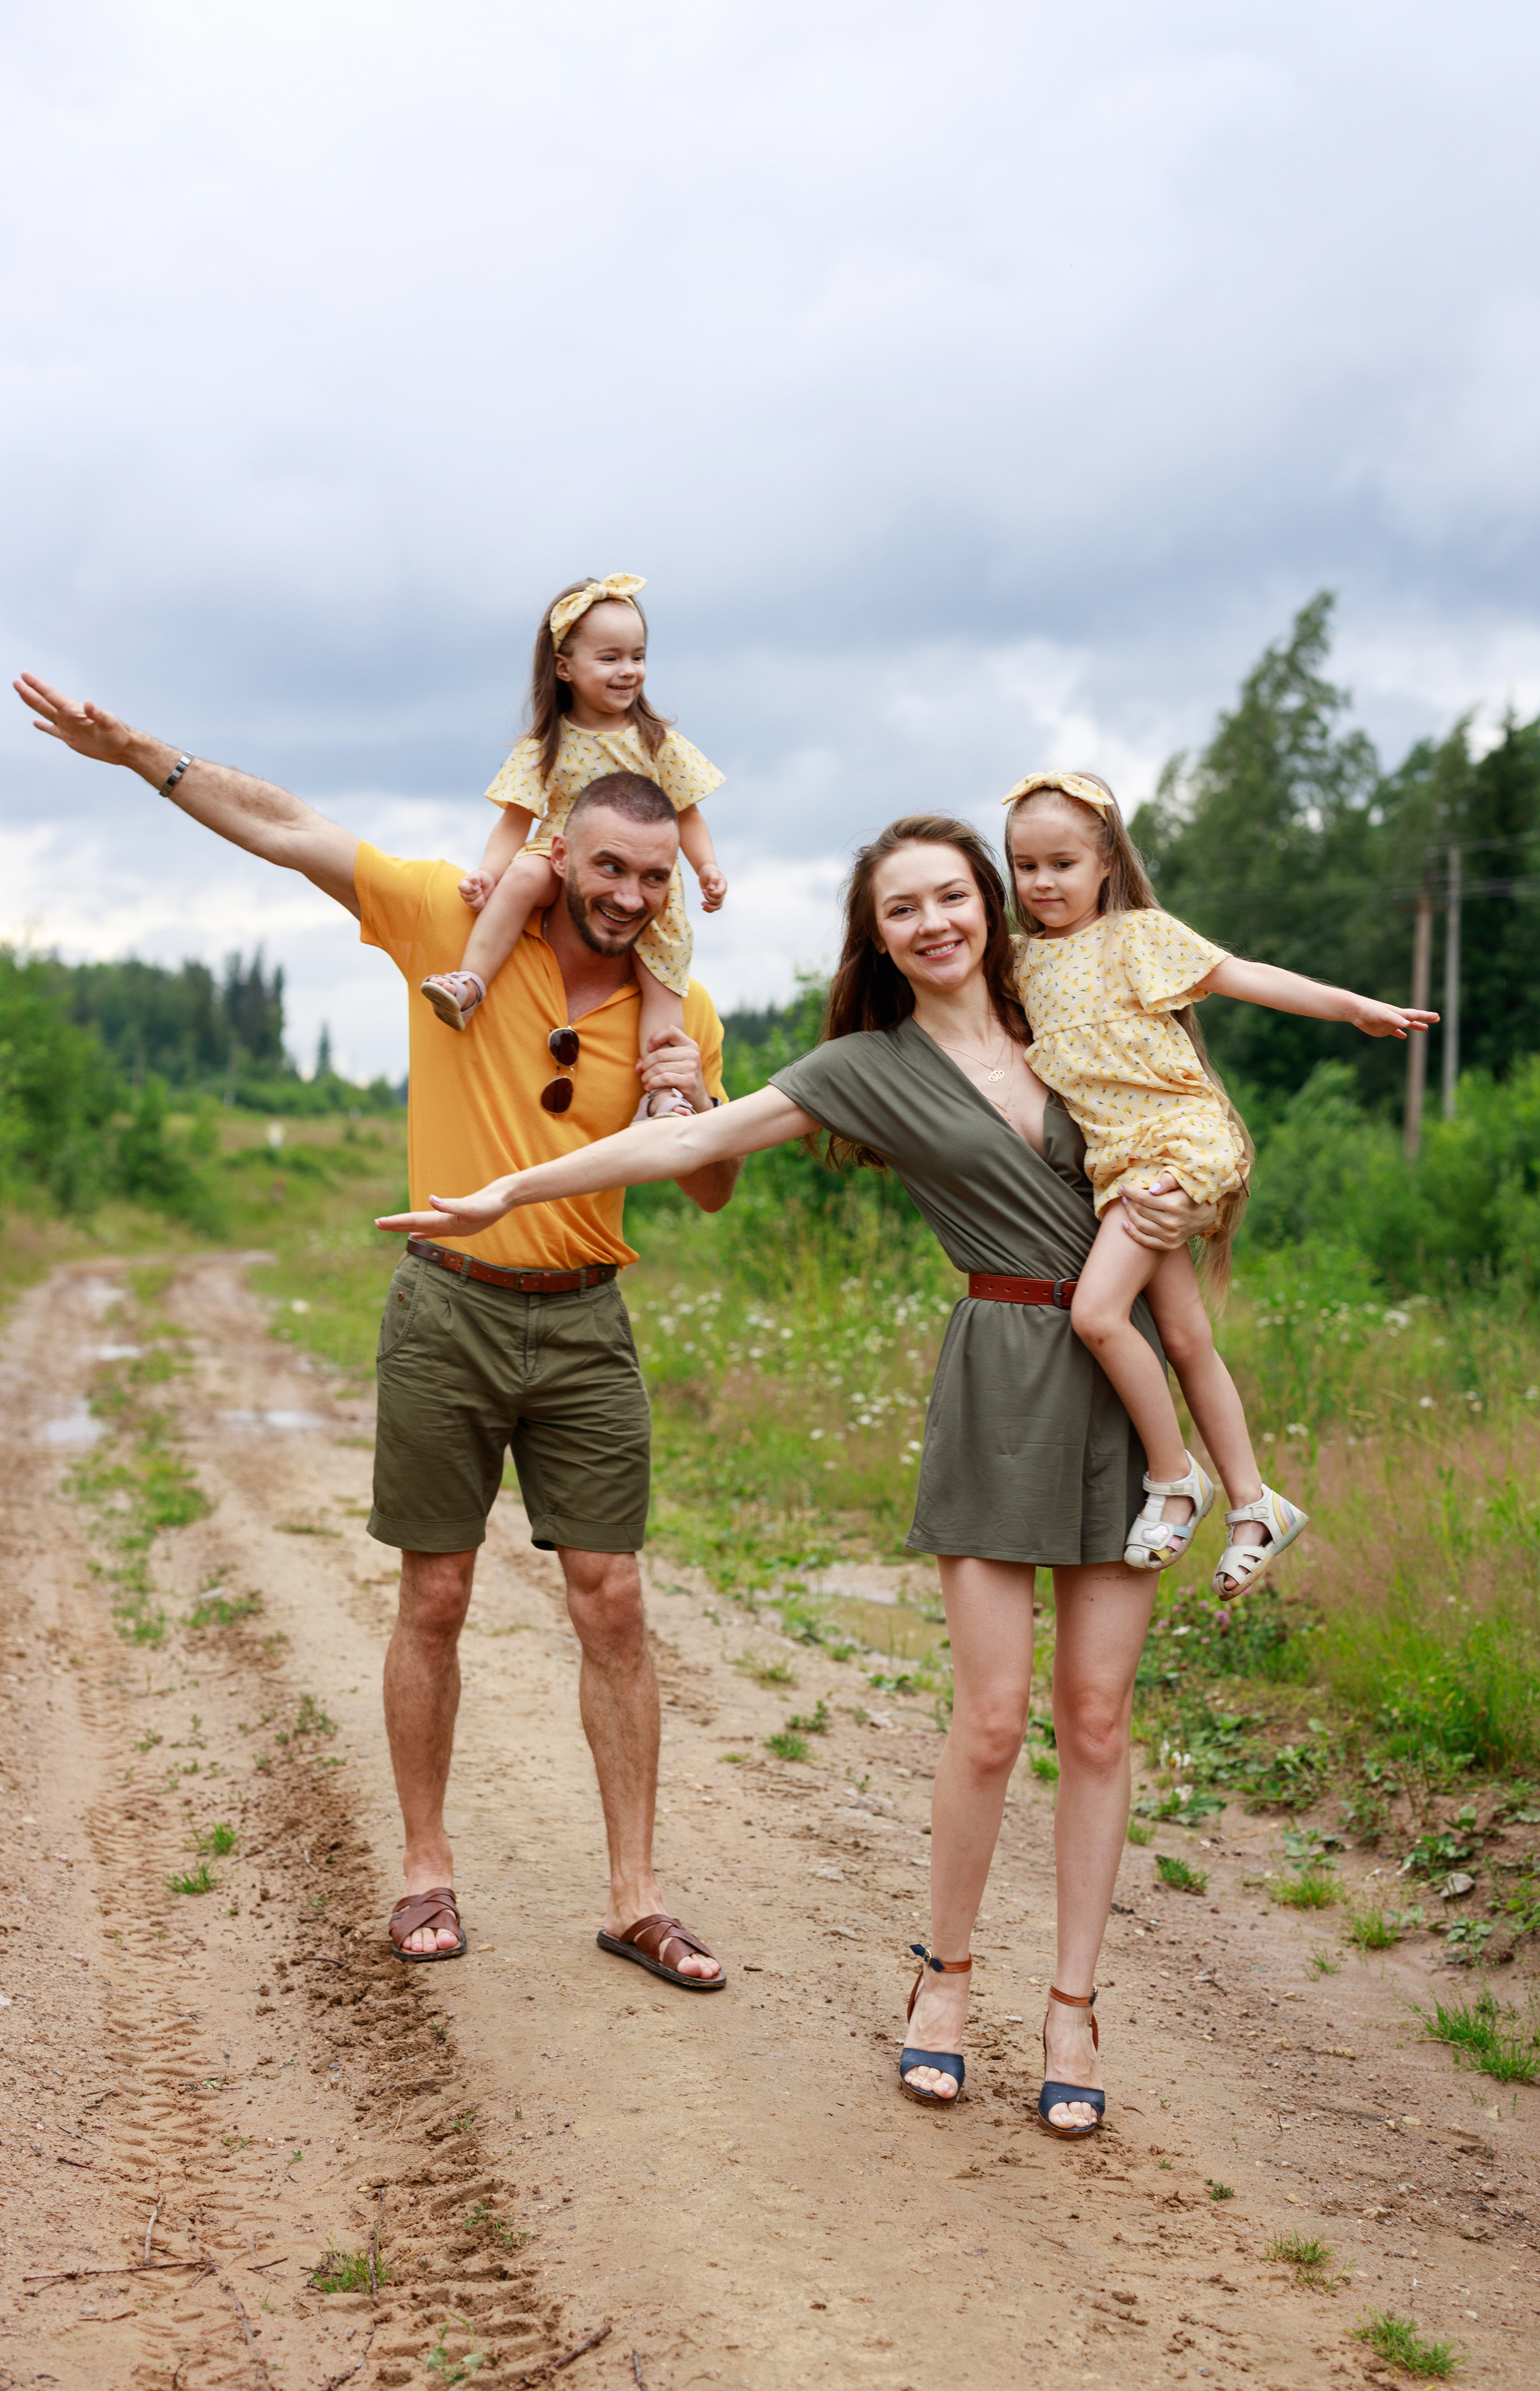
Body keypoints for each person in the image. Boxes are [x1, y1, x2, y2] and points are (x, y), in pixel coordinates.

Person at [374, 811, 1220, 2136]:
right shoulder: (868, 1067)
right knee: (992, 1720)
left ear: (989, 905)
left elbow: (1192, 1123)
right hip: (999, 1380)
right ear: (876, 938)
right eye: (903, 909)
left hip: (1121, 1386)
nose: (935, 923)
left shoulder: (1077, 1005)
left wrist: (1190, 1206)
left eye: (954, 896)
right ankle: (940, 1985)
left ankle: (1073, 2006)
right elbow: (681, 1145)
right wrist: (508, 1193)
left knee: (1098, 1720)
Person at [11, 668, 737, 1989]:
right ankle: (424, 1872)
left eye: (653, 879)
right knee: (438, 1592)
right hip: (447, 1310)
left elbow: (711, 1184)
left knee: (613, 1601)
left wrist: (687, 1115)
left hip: (584, 1322)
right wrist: (142, 759)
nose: (631, 896)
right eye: (611, 868)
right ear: (560, 853)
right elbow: (288, 824)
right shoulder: (446, 927)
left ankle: (635, 1897)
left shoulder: (679, 1015)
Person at [1003, 771, 1437, 1593]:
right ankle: (1254, 1503)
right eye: (1026, 866)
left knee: (1097, 1315)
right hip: (1118, 1165)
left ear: (1105, 863)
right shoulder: (1019, 964)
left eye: (1062, 863)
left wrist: (1351, 1008)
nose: (1043, 883)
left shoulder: (1138, 936)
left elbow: (1247, 976)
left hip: (1180, 1139)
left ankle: (1174, 1479)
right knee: (1186, 1338)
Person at [418, 573, 727, 1123]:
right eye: (609, 658)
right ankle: (470, 984)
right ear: (565, 667)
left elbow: (688, 814)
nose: (628, 670)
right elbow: (515, 823)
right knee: (520, 881)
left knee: (663, 981)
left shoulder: (657, 741)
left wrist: (706, 867)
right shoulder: (548, 744)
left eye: (637, 655)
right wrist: (488, 873)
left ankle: (661, 1093)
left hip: (641, 874)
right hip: (557, 854)